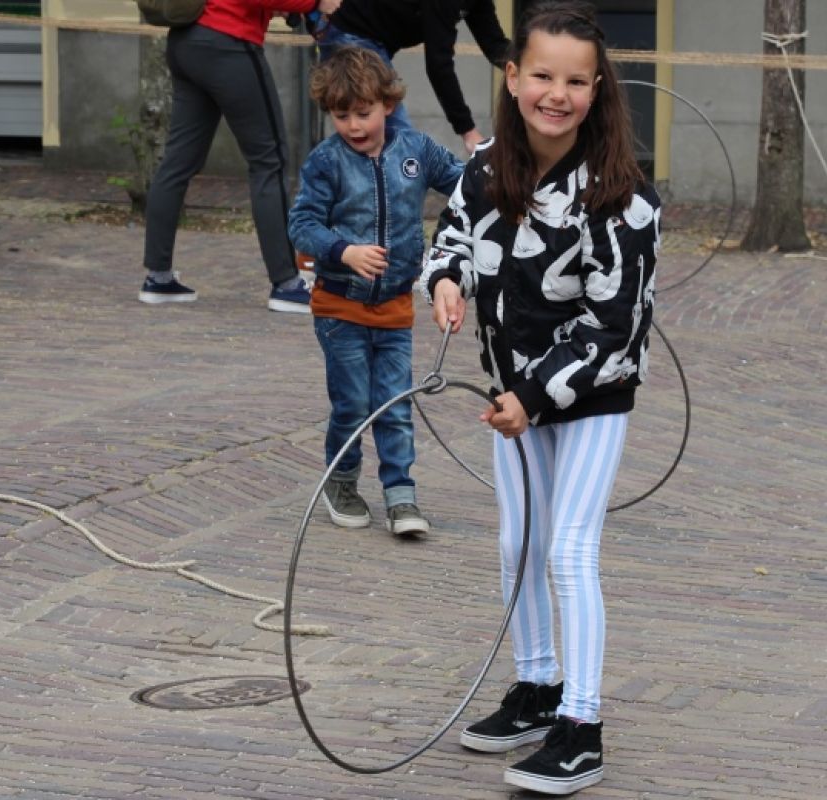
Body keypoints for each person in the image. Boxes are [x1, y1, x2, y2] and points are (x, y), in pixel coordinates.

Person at [421, 2, 659, 794]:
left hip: (586, 399)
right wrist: (447, 278)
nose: (556, 94)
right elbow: (452, 235)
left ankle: (582, 726)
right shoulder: (485, 166)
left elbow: (612, 324)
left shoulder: (622, 197)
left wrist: (531, 392)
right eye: (542, 76)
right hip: (510, 395)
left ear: (598, 90)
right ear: (514, 77)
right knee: (515, 543)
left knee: (567, 549)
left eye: (576, 81)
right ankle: (536, 686)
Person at [288, 47, 465, 535]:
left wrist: (506, 186)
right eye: (341, 116)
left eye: (363, 113)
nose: (353, 125)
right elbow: (301, 224)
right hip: (339, 308)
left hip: (394, 308)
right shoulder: (326, 162)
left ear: (387, 104)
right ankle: (341, 481)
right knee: (353, 403)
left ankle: (400, 495)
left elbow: (466, 185)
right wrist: (343, 250)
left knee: (393, 402)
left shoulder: (417, 150)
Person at [138, 0, 342, 312]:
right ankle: (286, 284)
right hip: (228, 43)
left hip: (187, 42)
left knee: (177, 163)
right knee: (268, 162)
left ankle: (158, 278)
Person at [308, 0, 510, 153]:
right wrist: (468, 131)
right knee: (400, 145)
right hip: (350, 33)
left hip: (377, 41)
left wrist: (534, 65)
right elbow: (439, 65)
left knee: (391, 146)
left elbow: (496, 46)